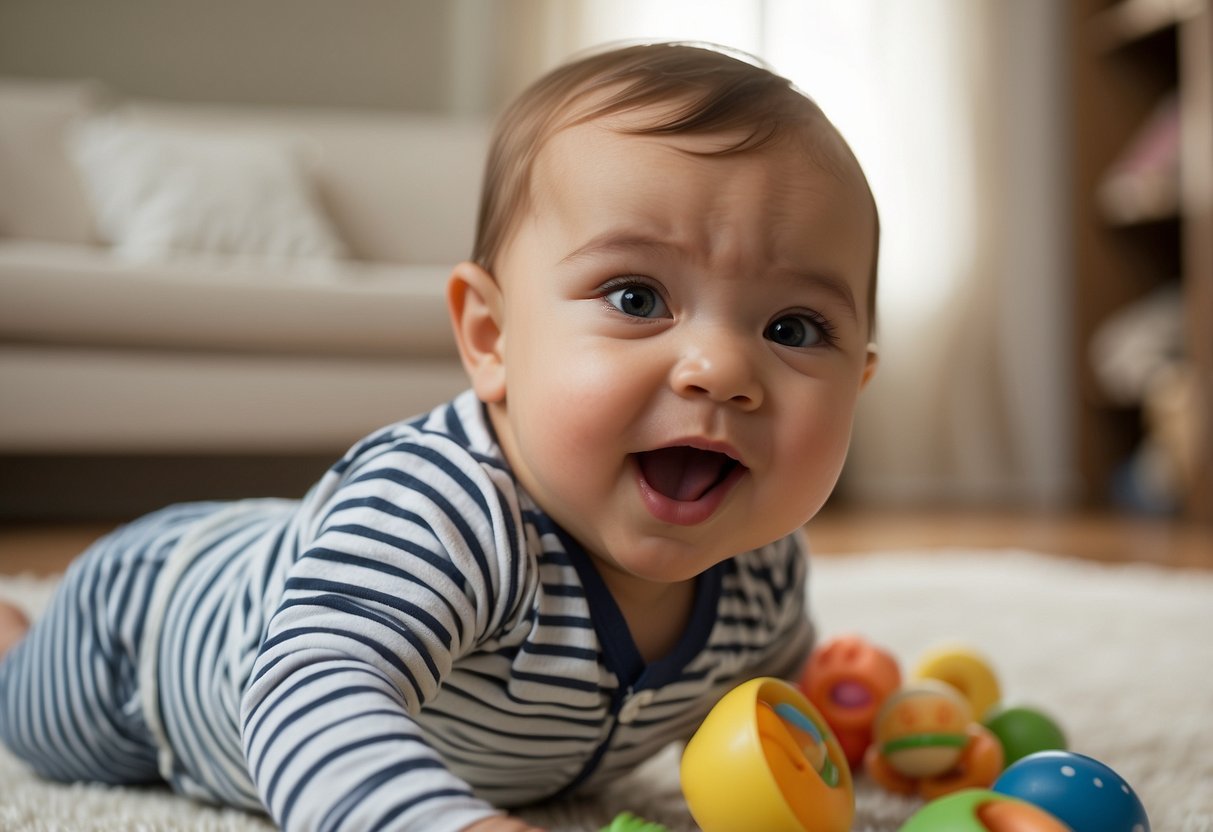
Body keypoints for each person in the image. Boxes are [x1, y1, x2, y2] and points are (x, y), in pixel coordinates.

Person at [0, 42, 879, 831]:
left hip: (304, 570)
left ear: (860, 382)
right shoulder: (449, 511)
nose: (719, 369)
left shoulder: (760, 565)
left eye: (794, 328)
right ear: (491, 339)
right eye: (637, 299)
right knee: (26, 712)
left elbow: (781, 698)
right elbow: (311, 693)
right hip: (142, 644)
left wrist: (866, 723)